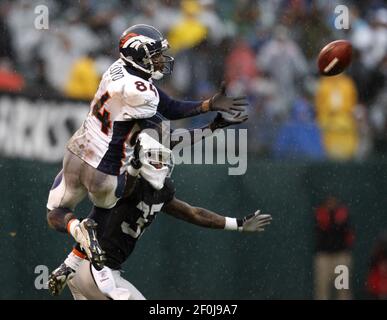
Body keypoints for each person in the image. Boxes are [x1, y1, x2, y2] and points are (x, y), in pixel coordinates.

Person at [46, 24, 248, 266]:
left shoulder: (116, 68)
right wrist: (211, 128)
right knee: (105, 213)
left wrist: (207, 105)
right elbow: (169, 137)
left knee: (56, 212)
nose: (162, 60)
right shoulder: (142, 95)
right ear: (140, 56)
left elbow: (168, 104)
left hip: (76, 153)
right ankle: (85, 237)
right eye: (155, 55)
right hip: (104, 171)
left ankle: (75, 230)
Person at [50, 132, 272, 300]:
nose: (162, 164)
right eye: (156, 158)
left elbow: (193, 213)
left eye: (163, 159)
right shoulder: (123, 184)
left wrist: (238, 224)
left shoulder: (160, 191)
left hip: (83, 269)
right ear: (141, 159)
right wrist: (134, 167)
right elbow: (124, 189)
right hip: (99, 272)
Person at [314, 195, 355, 300]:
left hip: (340, 255)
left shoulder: (342, 214)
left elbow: (349, 236)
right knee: (322, 289)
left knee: (342, 289)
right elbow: (322, 228)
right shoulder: (321, 213)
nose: (331, 203)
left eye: (333, 200)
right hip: (324, 256)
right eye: (329, 200)